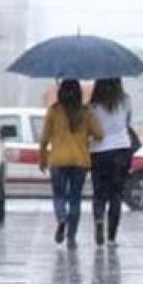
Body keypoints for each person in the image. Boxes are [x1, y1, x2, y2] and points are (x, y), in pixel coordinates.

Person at [39, 79, 104, 248]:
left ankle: (61, 219)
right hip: (79, 161)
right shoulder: (85, 112)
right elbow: (99, 134)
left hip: (58, 160)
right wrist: (86, 136)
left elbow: (44, 139)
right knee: (75, 199)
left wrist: (42, 159)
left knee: (59, 196)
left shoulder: (53, 111)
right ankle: (71, 237)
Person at [89, 77, 133, 247]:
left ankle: (99, 220)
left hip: (99, 152)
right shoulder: (125, 100)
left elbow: (90, 130)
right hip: (122, 149)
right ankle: (112, 237)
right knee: (116, 194)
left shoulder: (92, 106)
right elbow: (128, 123)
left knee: (99, 193)